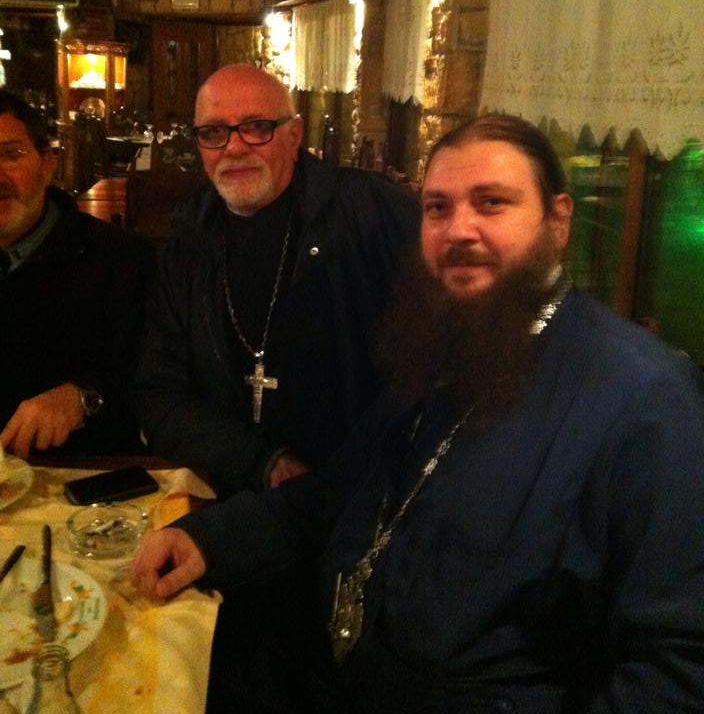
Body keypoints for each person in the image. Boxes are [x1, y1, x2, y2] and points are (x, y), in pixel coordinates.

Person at [132, 114, 704, 714]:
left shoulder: (648, 400)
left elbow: (681, 665)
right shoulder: (449, 340)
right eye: (437, 208)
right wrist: (210, 540)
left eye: (491, 203)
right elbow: (336, 493)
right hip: (330, 668)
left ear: (557, 221)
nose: (459, 230)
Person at [131, 63, 420, 712]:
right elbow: (159, 393)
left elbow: (425, 374)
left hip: (356, 520)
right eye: (214, 132)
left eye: (255, 127)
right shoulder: (190, 237)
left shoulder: (371, 213)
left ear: (294, 134)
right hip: (231, 513)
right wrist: (261, 462)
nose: (234, 147)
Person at [0, 90, 154, 458]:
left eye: (11, 154)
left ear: (47, 164)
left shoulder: (120, 260)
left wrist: (81, 397)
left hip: (82, 471)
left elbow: (152, 380)